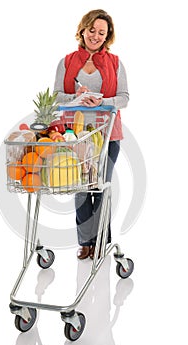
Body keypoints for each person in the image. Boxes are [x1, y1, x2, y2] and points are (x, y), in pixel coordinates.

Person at [53, 9, 129, 259]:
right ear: (83, 29)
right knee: (80, 189)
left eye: (102, 33)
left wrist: (101, 101)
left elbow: (124, 98)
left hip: (107, 136)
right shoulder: (66, 62)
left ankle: (101, 242)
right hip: (74, 135)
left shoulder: (115, 63)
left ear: (108, 36)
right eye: (92, 30)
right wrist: (76, 96)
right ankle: (85, 241)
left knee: (100, 188)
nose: (95, 36)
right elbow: (56, 97)